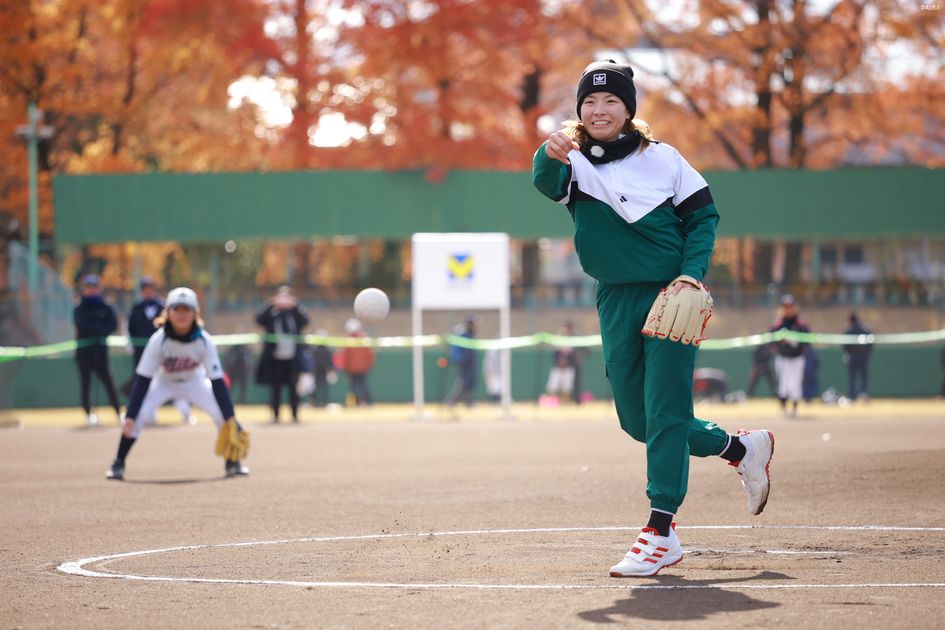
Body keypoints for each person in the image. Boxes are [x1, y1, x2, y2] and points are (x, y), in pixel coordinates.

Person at [532, 59, 774, 578]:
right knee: (637, 421)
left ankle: (660, 530)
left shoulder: (664, 159)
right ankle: (739, 448)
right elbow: (547, 183)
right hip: (615, 297)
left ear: (628, 110)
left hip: (672, 295)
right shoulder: (573, 160)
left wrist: (690, 275)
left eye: (611, 101)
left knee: (665, 410)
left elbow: (703, 219)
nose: (599, 110)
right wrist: (546, 153)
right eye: (590, 102)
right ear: (580, 111)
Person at [104, 287, 249, 480]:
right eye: (176, 309)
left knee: (224, 417)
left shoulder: (204, 341)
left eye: (186, 309)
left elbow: (217, 382)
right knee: (137, 417)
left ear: (195, 313)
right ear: (168, 312)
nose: (181, 314)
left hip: (195, 382)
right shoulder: (158, 341)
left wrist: (230, 416)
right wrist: (131, 414)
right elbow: (143, 381)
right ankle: (118, 463)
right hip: (164, 382)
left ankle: (233, 462)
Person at [125, 276, 195, 425]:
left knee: (178, 379)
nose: (147, 292)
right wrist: (131, 343)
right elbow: (131, 328)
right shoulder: (137, 308)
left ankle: (185, 411)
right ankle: (149, 415)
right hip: (142, 352)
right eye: (144, 289)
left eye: (150, 288)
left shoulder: (163, 306)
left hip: (166, 353)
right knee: (147, 384)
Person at [255, 287, 309, 423]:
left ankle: (295, 415)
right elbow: (258, 319)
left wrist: (295, 305)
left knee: (293, 389)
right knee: (275, 389)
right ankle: (275, 415)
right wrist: (271, 303)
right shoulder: (272, 314)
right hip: (275, 359)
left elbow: (306, 321)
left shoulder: (294, 314)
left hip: (292, 359)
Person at [73, 274, 122, 427]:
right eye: (88, 287)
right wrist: (97, 328)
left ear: (99, 288)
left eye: (94, 287)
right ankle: (89, 414)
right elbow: (82, 323)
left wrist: (100, 331)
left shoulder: (106, 306)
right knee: (86, 385)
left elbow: (113, 324)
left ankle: (118, 412)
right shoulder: (79, 307)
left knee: (109, 384)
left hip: (101, 353)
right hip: (84, 354)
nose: (91, 290)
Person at [769, 294, 810, 417]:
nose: (788, 309)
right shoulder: (778, 324)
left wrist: (796, 342)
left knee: (795, 384)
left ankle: (795, 409)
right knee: (783, 384)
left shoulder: (800, 324)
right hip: (783, 358)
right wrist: (781, 342)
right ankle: (783, 410)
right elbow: (771, 339)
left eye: (790, 306)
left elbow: (807, 340)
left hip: (797, 358)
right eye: (785, 307)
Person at [445, 315, 478, 408]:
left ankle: (468, 402)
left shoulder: (469, 334)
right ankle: (453, 401)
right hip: (464, 361)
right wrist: (462, 360)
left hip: (468, 361)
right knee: (464, 382)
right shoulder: (465, 335)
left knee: (468, 381)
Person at [341, 318, 374, 406]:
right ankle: (368, 402)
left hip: (354, 368)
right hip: (361, 368)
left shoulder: (350, 339)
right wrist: (368, 365)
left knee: (355, 386)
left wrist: (346, 367)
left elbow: (346, 356)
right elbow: (370, 354)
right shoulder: (364, 338)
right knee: (362, 385)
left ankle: (359, 402)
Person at [842, 312, 872, 401]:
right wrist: (867, 353)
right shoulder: (865, 329)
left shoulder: (849, 330)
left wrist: (847, 352)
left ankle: (852, 395)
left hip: (853, 357)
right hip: (863, 357)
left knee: (853, 377)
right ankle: (863, 393)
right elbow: (871, 342)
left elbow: (845, 344)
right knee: (863, 377)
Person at [309, 329, 335, 408]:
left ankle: (324, 401)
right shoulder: (314, 349)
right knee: (315, 386)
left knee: (323, 386)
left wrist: (331, 369)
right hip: (317, 370)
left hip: (323, 370)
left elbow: (329, 360)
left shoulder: (325, 349)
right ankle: (316, 401)